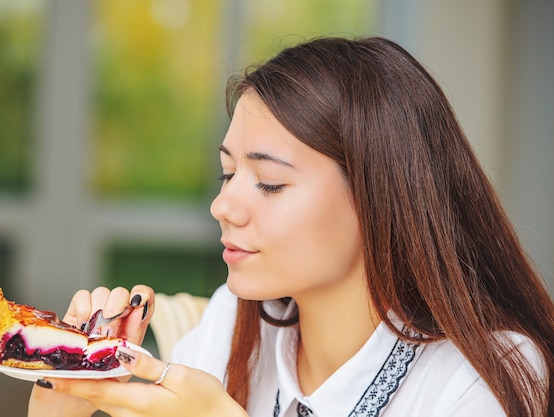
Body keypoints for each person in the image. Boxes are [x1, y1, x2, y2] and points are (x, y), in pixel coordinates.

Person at [28, 36, 554, 417]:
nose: (222, 205)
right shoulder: (233, 322)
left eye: (270, 183)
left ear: (379, 198)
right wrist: (67, 402)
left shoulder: (486, 374)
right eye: (228, 173)